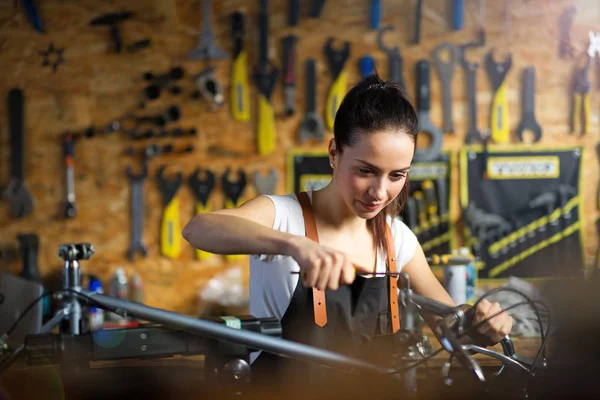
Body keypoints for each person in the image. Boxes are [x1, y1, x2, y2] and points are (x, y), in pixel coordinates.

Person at [182, 73, 513, 397]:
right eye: (366, 171)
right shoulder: (283, 216)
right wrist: (295, 246)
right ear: (333, 153)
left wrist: (480, 322)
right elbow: (199, 229)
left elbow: (452, 329)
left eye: (397, 175)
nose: (380, 192)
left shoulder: (397, 238)